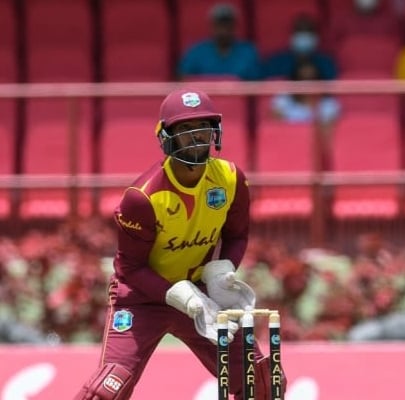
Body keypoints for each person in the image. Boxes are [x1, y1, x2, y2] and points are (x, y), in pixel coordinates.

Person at [75, 89, 285, 399]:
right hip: (142, 299)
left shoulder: (230, 179)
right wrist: (174, 294)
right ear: (167, 137)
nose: (196, 137)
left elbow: (237, 236)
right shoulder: (142, 197)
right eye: (186, 130)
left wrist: (222, 270)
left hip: (201, 298)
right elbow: (129, 268)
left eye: (202, 127)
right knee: (106, 391)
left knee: (262, 384)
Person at [178, 3, 261, 80]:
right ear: (212, 26)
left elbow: (257, 84)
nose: (224, 30)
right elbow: (183, 79)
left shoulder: (248, 52)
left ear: (235, 26)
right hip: (205, 95)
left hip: (237, 96)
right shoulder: (196, 52)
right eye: (220, 25)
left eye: (228, 25)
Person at [262, 13, 337, 80]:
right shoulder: (275, 63)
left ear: (317, 37)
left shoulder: (326, 63)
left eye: (308, 31)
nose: (304, 36)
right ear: (291, 35)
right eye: (299, 31)